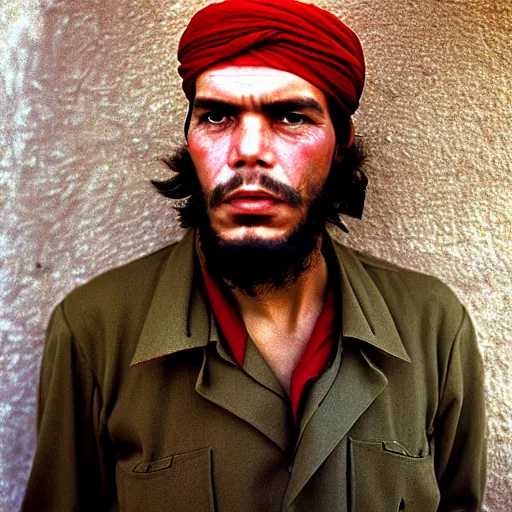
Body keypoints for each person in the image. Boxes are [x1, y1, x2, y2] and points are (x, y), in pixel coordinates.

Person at [22, 0, 486, 510]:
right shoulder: (93, 330)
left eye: (290, 116)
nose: (248, 150)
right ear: (190, 137)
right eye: (217, 115)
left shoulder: (435, 328)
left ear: (340, 143)